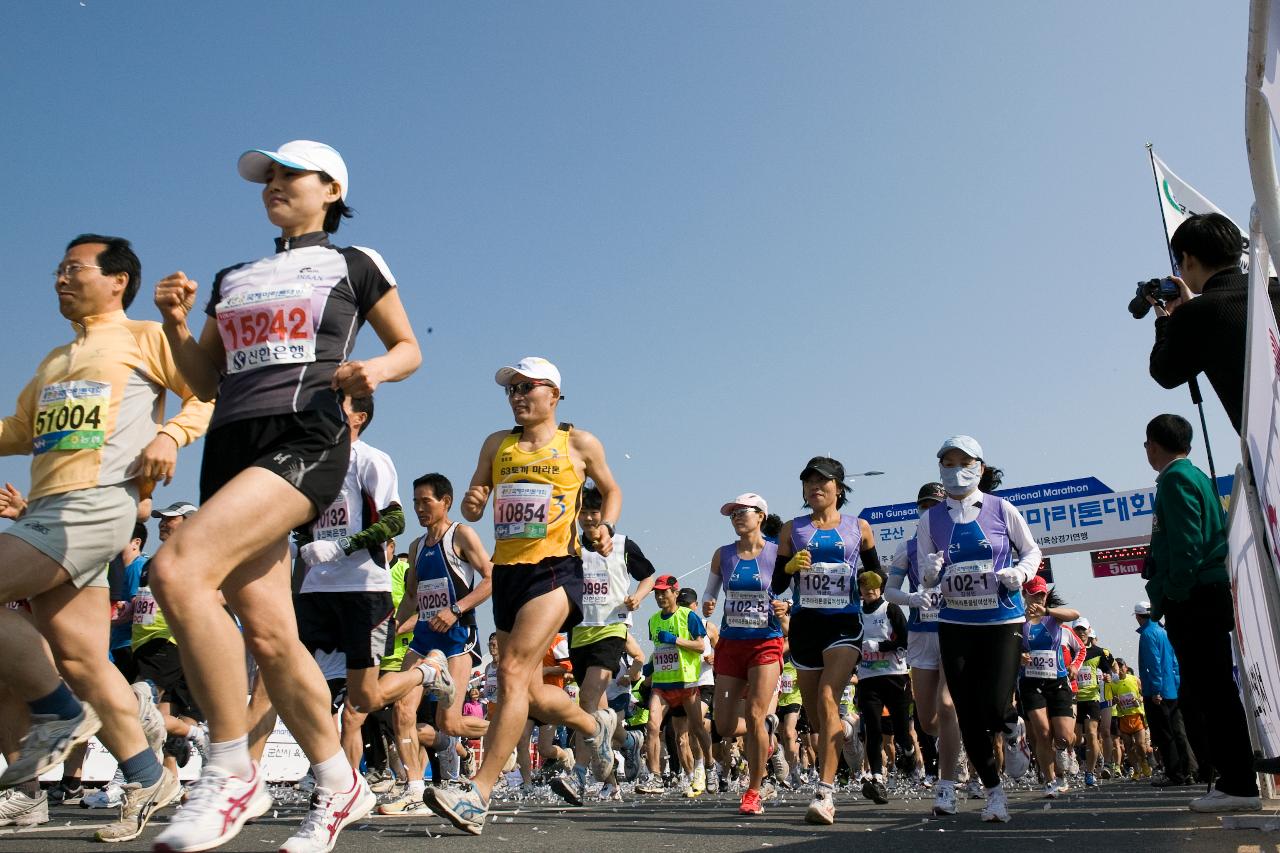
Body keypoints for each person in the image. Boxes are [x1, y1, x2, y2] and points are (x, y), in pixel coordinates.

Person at [149, 139, 422, 852]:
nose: (272, 184)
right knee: (271, 634)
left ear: (330, 188)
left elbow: (409, 348)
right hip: (231, 444)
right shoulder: (234, 276)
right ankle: (340, 783)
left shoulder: (354, 262)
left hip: (306, 436)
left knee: (176, 569)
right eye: (266, 177)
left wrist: (375, 372)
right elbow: (204, 381)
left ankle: (230, 765)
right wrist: (178, 324)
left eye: (287, 174)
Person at [0, 234, 213, 843]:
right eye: (57, 271)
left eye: (74, 269)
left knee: (68, 674)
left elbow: (204, 391)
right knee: (82, 659)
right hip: (48, 507)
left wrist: (171, 435)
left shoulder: (146, 337)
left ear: (118, 280)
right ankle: (148, 776)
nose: (61, 280)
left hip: (93, 506)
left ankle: (56, 714)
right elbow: (20, 429)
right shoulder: (53, 361)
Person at [424, 357, 621, 834]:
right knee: (529, 694)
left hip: (555, 570)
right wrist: (474, 498)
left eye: (526, 387)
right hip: (508, 573)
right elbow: (479, 487)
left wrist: (607, 527)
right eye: (510, 389)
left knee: (510, 673)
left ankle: (479, 793)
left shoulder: (578, 442)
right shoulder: (498, 443)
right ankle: (595, 727)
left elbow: (611, 489)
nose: (516, 396)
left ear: (553, 395)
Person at [918, 435, 1042, 823]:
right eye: (948, 463)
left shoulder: (1001, 509)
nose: (956, 470)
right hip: (955, 623)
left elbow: (1032, 550)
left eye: (964, 462)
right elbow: (924, 577)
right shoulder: (930, 519)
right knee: (967, 713)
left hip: (1002, 620)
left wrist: (1019, 573)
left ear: (980, 468)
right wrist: (932, 572)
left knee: (992, 704)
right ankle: (994, 793)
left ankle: (1011, 725)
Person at [1142, 413, 1259, 812]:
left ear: (1154, 444)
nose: (1146, 451)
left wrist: (1172, 593)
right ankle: (1234, 780)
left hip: (1194, 599)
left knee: (1213, 695)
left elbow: (1187, 544)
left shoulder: (1176, 480)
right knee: (1214, 693)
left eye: (1146, 444)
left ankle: (1239, 784)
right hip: (1203, 596)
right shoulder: (1195, 477)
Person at [293, 392, 413, 768]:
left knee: (361, 701)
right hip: (317, 591)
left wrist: (342, 546)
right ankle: (337, 780)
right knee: (305, 692)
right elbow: (304, 525)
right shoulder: (312, 465)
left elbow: (395, 522)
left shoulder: (370, 459)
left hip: (362, 589)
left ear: (358, 417)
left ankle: (427, 672)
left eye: (337, 407)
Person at [772, 456, 880, 825]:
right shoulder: (791, 529)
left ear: (839, 487)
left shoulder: (859, 528)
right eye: (809, 482)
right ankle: (847, 735)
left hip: (844, 625)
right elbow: (775, 585)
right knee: (820, 720)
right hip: (805, 625)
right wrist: (787, 568)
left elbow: (874, 572)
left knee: (827, 696)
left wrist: (870, 582)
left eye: (824, 481)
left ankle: (824, 793)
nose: (816, 487)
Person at [380, 472, 492, 814]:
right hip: (424, 637)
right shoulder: (415, 547)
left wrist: (457, 609)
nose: (419, 508)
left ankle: (508, 728)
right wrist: (392, 628)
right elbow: (412, 596)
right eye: (415, 503)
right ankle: (415, 789)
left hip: (457, 638)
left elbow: (490, 579)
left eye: (425, 501)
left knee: (450, 723)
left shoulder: (461, 535)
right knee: (401, 709)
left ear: (445, 501)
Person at [553, 485, 655, 805]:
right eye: (583, 512)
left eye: (594, 512)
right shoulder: (571, 547)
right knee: (595, 713)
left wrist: (637, 597)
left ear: (605, 513)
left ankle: (579, 774)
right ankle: (625, 749)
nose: (588, 518)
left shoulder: (623, 544)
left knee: (587, 700)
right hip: (579, 633)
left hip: (612, 630)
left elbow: (649, 576)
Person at [1148, 212, 1280, 434]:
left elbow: (1165, 373)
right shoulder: (1273, 288)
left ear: (1188, 259)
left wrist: (1165, 323)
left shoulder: (1196, 315)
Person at [703, 493, 786, 815]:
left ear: (761, 516)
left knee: (754, 713)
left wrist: (786, 606)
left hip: (766, 642)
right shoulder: (723, 554)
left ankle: (753, 789)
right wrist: (709, 601)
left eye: (743, 512)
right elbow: (711, 589)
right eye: (733, 514)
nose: (737, 517)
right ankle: (763, 732)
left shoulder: (778, 554)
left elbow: (792, 592)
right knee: (723, 725)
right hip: (732, 643)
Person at [885, 481, 963, 816]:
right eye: (924, 506)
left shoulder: (960, 542)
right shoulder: (908, 547)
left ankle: (947, 784)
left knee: (948, 706)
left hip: (955, 630)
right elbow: (890, 591)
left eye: (936, 505)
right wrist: (911, 598)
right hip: (920, 633)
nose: (929, 510)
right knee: (928, 720)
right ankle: (954, 741)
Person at [636, 575, 714, 796]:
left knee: (697, 730)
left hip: (686, 683)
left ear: (675, 593)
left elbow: (701, 646)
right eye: (657, 593)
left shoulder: (688, 616)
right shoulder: (653, 620)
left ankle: (709, 766)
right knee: (652, 726)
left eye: (664, 592)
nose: (660, 596)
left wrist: (675, 640)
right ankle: (655, 777)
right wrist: (649, 668)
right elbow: (659, 650)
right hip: (662, 685)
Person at [1016, 576, 1080, 798]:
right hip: (1031, 683)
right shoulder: (1017, 619)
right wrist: (1020, 656)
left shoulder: (1053, 618)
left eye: (1041, 594)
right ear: (1024, 594)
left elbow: (1075, 615)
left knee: (1063, 736)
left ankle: (1066, 754)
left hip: (1057, 681)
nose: (1038, 597)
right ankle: (1050, 781)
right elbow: (1009, 647)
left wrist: (1047, 611)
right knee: (1043, 733)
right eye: (1033, 593)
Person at [854, 569, 912, 805]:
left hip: (894, 675)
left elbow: (906, 639)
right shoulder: (856, 613)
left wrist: (880, 645)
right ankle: (877, 777)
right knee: (873, 728)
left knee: (900, 729)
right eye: (865, 587)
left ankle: (907, 753)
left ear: (880, 588)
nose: (870, 591)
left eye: (874, 587)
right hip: (868, 677)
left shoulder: (890, 609)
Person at [1134, 600, 1189, 786]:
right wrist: (1175, 684)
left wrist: (1156, 690)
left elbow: (1153, 664)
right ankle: (1186, 771)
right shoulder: (1163, 631)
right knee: (1176, 731)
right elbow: (1173, 662)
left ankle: (1174, 774)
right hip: (1171, 689)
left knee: (1165, 735)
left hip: (1156, 691)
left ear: (1138, 616)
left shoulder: (1148, 634)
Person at [1071, 618, 1114, 786]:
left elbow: (1107, 669)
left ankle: (1089, 772)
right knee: (1073, 738)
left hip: (1091, 698)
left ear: (1089, 631)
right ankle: (1091, 752)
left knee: (1091, 733)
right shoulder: (1069, 650)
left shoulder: (1098, 652)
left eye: (1083, 630)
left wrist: (1108, 675)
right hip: (1073, 698)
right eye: (1077, 630)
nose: (1081, 633)